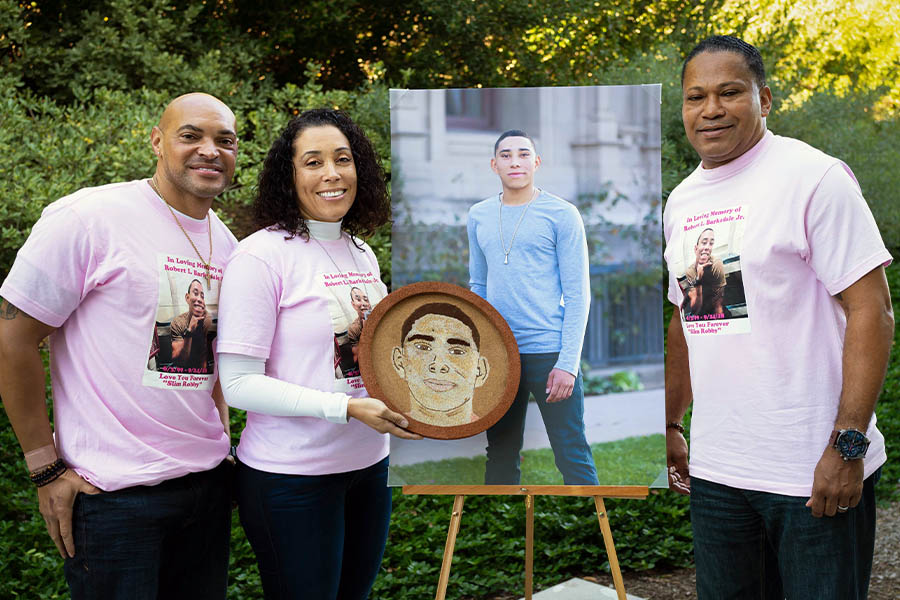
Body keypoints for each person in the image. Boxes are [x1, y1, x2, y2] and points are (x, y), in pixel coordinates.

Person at [664, 35, 894, 599]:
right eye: (696, 97)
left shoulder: (813, 178)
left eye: (729, 92)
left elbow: (873, 311)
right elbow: (692, 319)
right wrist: (671, 423)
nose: (711, 109)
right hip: (720, 473)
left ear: (764, 99)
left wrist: (847, 447)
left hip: (809, 469)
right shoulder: (683, 200)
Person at [0, 92, 239, 599]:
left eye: (225, 140)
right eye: (190, 135)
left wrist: (223, 441)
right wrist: (45, 468)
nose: (209, 150)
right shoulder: (89, 217)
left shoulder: (230, 243)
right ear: (157, 141)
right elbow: (12, 340)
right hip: (113, 499)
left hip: (207, 490)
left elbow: (212, 358)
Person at [216, 108, 420, 600]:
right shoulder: (261, 255)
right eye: (313, 161)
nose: (331, 173)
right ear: (289, 176)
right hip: (291, 480)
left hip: (370, 467)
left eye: (342, 159)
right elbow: (239, 383)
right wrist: (346, 408)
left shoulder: (361, 251)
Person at [467, 129, 599, 485]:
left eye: (523, 154)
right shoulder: (478, 215)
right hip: (499, 356)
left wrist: (568, 364)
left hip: (550, 354)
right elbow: (477, 285)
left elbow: (578, 295)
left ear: (536, 162)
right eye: (506, 155)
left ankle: (593, 531)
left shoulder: (562, 214)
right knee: (500, 455)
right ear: (494, 165)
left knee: (571, 451)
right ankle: (501, 537)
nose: (515, 161)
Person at [391, 302, 490, 426]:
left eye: (457, 351)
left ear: (480, 371)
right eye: (422, 347)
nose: (438, 364)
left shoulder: (491, 435)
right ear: (399, 362)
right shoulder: (385, 430)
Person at [170, 278, 214, 371]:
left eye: (202, 296)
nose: (199, 299)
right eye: (195, 293)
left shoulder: (207, 320)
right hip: (182, 371)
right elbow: (181, 360)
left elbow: (204, 359)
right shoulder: (177, 323)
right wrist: (190, 331)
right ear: (187, 297)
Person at [681, 227, 726, 318]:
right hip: (701, 308)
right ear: (696, 248)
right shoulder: (690, 271)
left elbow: (718, 304)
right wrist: (699, 279)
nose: (707, 247)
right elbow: (696, 307)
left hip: (715, 310)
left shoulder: (716, 265)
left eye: (711, 244)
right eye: (704, 242)